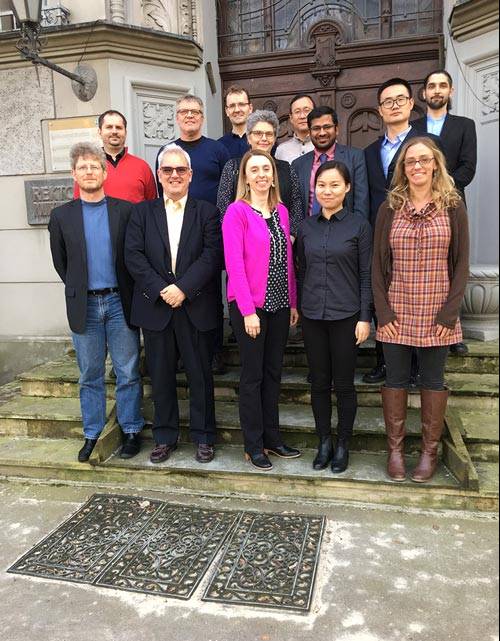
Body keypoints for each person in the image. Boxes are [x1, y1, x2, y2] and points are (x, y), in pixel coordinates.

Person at [372, 137, 469, 483]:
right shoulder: (389, 208)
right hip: (397, 310)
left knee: (432, 382)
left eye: (423, 160)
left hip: (437, 311)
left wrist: (449, 313)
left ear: (435, 164)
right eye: (410, 161)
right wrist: (382, 312)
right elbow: (377, 265)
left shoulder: (453, 206)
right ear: (402, 168)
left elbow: (460, 264)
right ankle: (395, 450)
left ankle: (428, 452)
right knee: (395, 380)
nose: (416, 166)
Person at [125, 144, 222, 465]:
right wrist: (162, 289)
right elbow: (134, 256)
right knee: (161, 376)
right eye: (167, 170)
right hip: (157, 308)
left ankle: (204, 436)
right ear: (159, 175)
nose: (174, 175)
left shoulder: (207, 211)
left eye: (181, 170)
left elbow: (212, 256)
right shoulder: (141, 213)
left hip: (195, 306)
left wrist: (183, 288)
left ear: (191, 175)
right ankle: (164, 436)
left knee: (200, 376)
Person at [48, 143, 144, 462]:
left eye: (95, 166)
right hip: (84, 305)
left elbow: (132, 257)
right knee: (89, 374)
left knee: (127, 370)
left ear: (105, 172)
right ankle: (92, 433)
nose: (89, 171)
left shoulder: (125, 211)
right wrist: (81, 289)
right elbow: (62, 263)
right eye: (83, 167)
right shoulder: (61, 216)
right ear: (74, 175)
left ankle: (130, 429)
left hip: (119, 302)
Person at [222, 149, 301, 470]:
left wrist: (293, 300)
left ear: (273, 175)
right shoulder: (236, 213)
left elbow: (288, 263)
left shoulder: (281, 211)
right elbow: (234, 265)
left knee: (273, 374)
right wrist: (247, 311)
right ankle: (253, 445)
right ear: (245, 177)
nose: (261, 174)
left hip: (280, 305)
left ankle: (273, 438)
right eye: (254, 169)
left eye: (266, 169)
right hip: (249, 307)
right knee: (252, 377)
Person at [364, 78, 441, 384]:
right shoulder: (369, 151)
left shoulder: (427, 146)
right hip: (380, 233)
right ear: (380, 110)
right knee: (382, 295)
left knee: (416, 297)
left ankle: (416, 365)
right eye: (387, 102)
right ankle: (384, 361)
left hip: (420, 231)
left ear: (411, 104)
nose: (393, 106)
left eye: (399, 100)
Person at [297, 161, 372, 473]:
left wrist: (365, 317)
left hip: (346, 316)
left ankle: (343, 444)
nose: (327, 191)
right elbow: (300, 270)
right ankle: (323, 441)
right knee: (318, 384)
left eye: (334, 185)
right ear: (314, 189)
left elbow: (366, 276)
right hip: (313, 315)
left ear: (347, 188)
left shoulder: (359, 226)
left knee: (344, 385)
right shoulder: (305, 227)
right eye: (322, 185)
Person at [156, 95, 230, 375]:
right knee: (176, 288)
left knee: (209, 293)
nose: (190, 116)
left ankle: (214, 352)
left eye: (195, 111)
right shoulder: (166, 151)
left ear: (202, 116)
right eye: (184, 111)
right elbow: (159, 190)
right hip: (174, 232)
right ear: (177, 116)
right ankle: (178, 352)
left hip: (210, 231)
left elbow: (228, 192)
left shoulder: (217, 150)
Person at [412, 69, 477, 357]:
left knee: (453, 261)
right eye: (431, 86)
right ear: (424, 94)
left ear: (450, 91)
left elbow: (467, 167)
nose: (436, 91)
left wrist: (440, 189)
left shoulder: (465, 125)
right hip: (415, 203)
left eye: (442, 86)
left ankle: (453, 331)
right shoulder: (414, 128)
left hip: (450, 204)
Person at [217, 110, 304, 238]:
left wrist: (289, 239)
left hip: (281, 246)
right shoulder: (233, 167)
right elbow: (223, 208)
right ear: (248, 137)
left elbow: (296, 208)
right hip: (243, 246)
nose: (264, 138)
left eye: (269, 134)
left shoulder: (287, 169)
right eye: (258, 133)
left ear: (274, 139)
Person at [292, 105, 369, 220]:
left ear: (336, 129)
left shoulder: (355, 157)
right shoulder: (298, 164)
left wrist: (357, 232)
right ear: (309, 132)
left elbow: (361, 201)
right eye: (316, 128)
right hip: (309, 233)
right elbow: (296, 207)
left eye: (327, 127)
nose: (322, 133)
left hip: (346, 233)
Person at [74, 110, 157, 203]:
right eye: (109, 127)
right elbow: (79, 205)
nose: (114, 131)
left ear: (125, 132)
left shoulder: (142, 166)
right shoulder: (87, 168)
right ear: (100, 131)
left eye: (118, 127)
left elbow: (152, 205)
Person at [275, 93, 315, 163]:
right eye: (297, 112)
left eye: (306, 110)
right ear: (291, 118)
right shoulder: (281, 150)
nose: (302, 116)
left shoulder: (324, 144)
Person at [218, 84, 253, 160]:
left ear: (250, 108)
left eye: (241, 104)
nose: (237, 110)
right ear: (227, 111)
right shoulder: (219, 146)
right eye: (232, 106)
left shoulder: (263, 141)